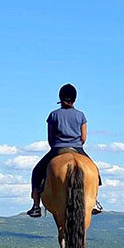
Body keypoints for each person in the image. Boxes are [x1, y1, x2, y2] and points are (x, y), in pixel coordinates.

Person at [26, 83, 102, 218]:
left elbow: (50, 138)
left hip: (57, 149)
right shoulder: (81, 115)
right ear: (74, 98)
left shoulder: (53, 115)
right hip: (78, 148)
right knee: (95, 172)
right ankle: (95, 201)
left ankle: (36, 206)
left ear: (60, 97)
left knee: (36, 172)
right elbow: (83, 138)